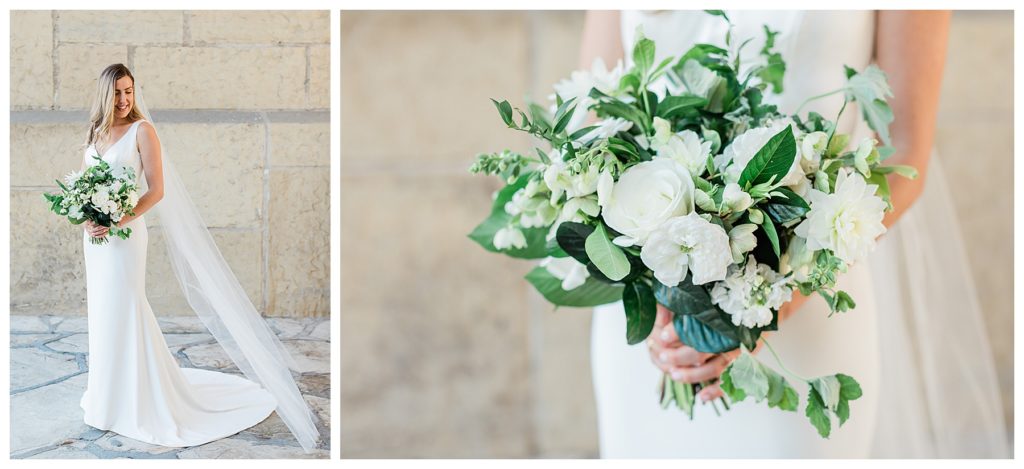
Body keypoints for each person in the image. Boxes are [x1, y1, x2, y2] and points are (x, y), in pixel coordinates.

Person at [585, 11, 1008, 458]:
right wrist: (653, 280)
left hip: (805, 306)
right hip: (651, 319)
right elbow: (594, 112)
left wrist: (771, 301)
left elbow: (905, 152)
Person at [78, 64, 318, 451]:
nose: (124, 100)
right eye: (118, 93)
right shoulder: (96, 133)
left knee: (127, 308)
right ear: (105, 96)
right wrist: (89, 219)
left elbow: (156, 191)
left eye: (130, 91)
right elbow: (86, 185)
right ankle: (109, 397)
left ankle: (142, 399)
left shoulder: (143, 131)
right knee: (103, 312)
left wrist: (118, 217)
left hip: (125, 235)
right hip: (96, 241)